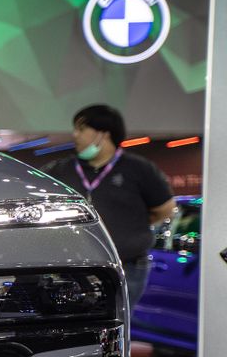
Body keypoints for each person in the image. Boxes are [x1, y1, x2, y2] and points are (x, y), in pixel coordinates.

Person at [46, 104, 176, 311]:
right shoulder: (61, 170)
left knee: (117, 320)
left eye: (81, 129)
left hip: (127, 266)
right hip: (71, 268)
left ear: (102, 134)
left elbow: (165, 209)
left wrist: (131, 226)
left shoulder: (138, 169)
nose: (74, 135)